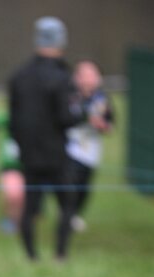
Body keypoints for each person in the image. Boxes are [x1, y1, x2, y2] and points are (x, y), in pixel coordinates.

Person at [8, 16, 86, 261]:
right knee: (68, 203)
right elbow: (66, 117)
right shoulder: (63, 77)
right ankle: (60, 254)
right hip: (56, 154)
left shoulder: (19, 75)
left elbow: (13, 120)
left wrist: (22, 144)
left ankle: (31, 256)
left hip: (29, 153)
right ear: (60, 41)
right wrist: (82, 113)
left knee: (30, 206)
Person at [66, 61, 114, 232]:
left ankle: (74, 214)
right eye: (85, 75)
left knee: (84, 186)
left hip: (91, 151)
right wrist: (85, 118)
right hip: (70, 148)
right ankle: (67, 213)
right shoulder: (69, 96)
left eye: (92, 75)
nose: (89, 79)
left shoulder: (102, 99)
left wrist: (103, 126)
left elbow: (110, 125)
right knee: (70, 183)